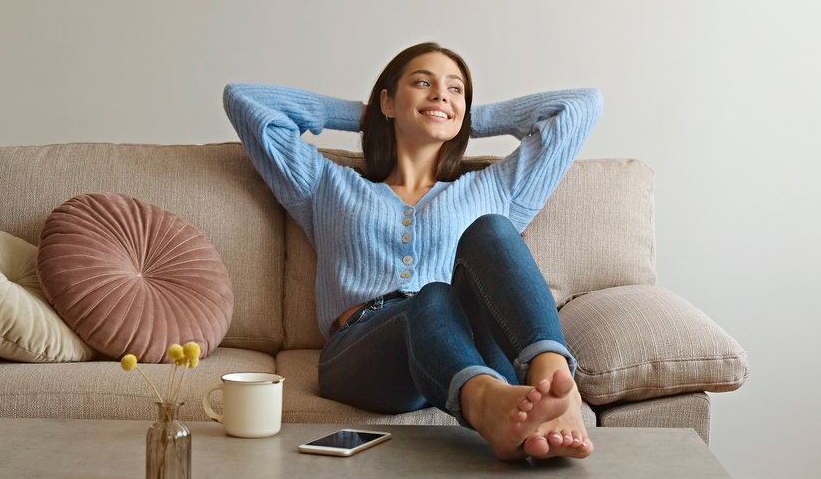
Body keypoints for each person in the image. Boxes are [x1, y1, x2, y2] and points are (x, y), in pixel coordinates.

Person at [224, 42, 602, 460]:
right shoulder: (326, 185)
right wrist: (367, 116)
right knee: (433, 295)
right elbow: (245, 100)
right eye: (423, 83)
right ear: (387, 100)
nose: (441, 94)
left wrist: (468, 118)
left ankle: (552, 380)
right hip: (367, 353)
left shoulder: (496, 187)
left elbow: (581, 107)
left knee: (492, 229)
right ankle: (486, 402)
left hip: (474, 345)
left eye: (455, 89)